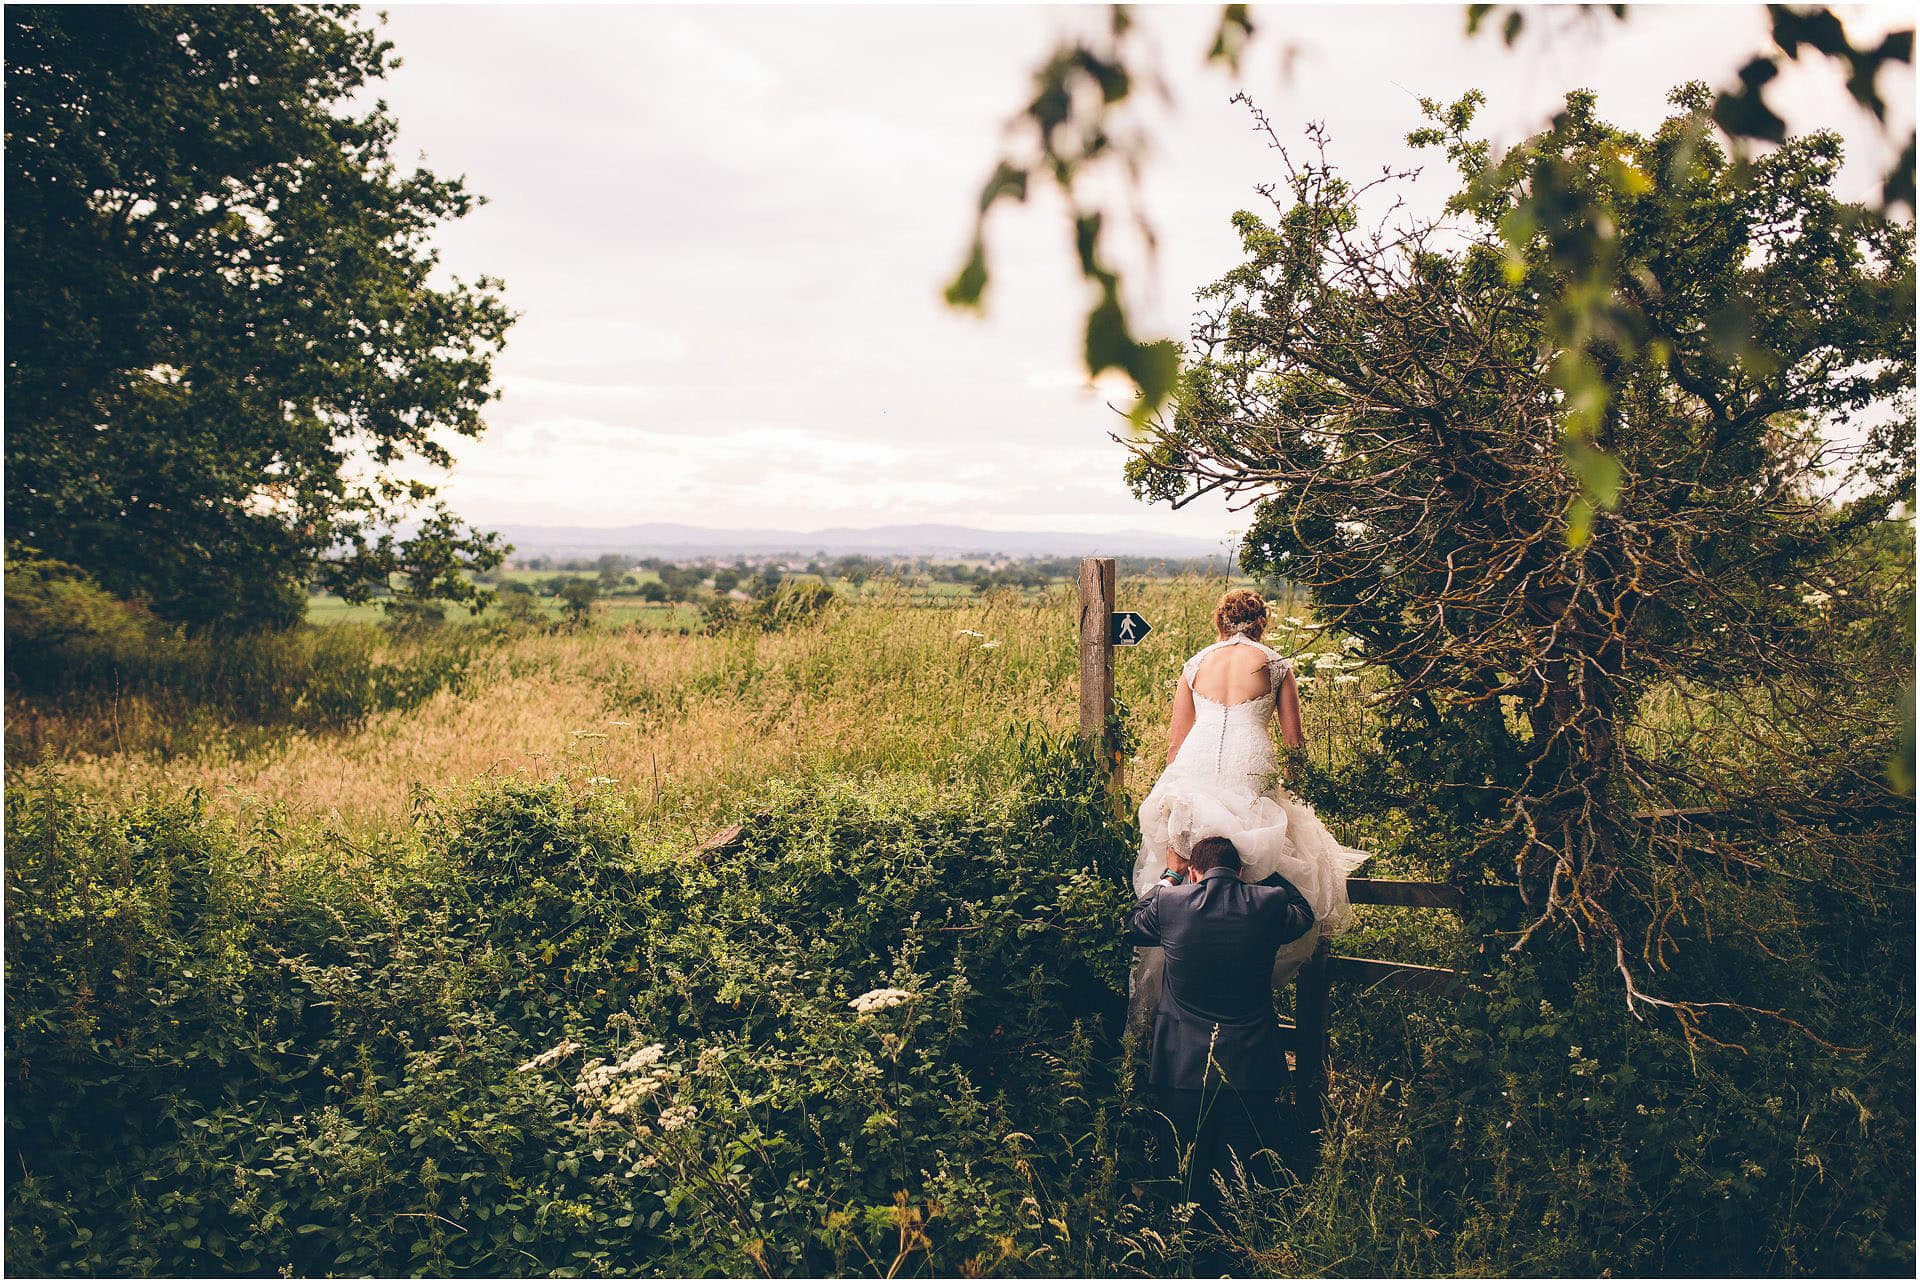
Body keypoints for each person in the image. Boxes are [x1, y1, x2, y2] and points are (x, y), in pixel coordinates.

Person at [1130, 588, 1369, 1029]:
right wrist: (1299, 794)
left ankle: (1180, 1003)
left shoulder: (1195, 664)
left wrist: (1175, 789)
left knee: (1186, 866)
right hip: (1250, 763)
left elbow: (1175, 741)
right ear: (1262, 623)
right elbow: (1294, 741)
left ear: (1220, 622)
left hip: (1197, 764)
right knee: (1261, 862)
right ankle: (1247, 988)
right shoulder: (1276, 664)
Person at [1125, 834, 1317, 1234]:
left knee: (1185, 1180)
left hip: (1181, 1069)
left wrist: (1169, 875)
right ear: (1243, 872)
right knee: (1242, 1185)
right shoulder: (1268, 903)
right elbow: (1304, 913)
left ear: (1194, 872)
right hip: (1251, 1070)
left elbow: (1134, 924)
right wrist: (1272, 864)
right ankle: (1236, 1260)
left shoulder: (1170, 903)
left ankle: (1186, 1257)